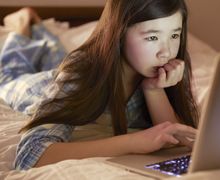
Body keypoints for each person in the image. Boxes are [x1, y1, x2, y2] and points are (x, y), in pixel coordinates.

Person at [0, 0, 199, 171]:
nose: (166, 52)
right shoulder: (79, 73)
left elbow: (178, 136)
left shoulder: (165, 71)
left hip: (70, 70)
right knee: (9, 75)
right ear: (119, 33)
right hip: (41, 86)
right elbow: (31, 155)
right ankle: (22, 23)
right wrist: (134, 142)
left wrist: (154, 89)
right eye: (153, 37)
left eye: (174, 35)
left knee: (57, 56)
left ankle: (41, 31)